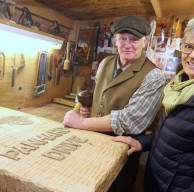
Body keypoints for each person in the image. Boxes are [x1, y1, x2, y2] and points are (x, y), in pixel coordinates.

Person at [112, 12, 194, 192]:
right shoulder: (181, 88)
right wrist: (142, 143)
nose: (192, 55)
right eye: (188, 46)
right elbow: (178, 136)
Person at [63, 16, 165, 192]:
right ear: (115, 41)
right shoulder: (106, 63)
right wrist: (89, 108)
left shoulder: (154, 76)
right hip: (92, 144)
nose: (127, 44)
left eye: (134, 40)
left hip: (121, 154)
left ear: (144, 42)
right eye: (122, 38)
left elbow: (130, 120)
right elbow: (100, 94)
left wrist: (80, 123)